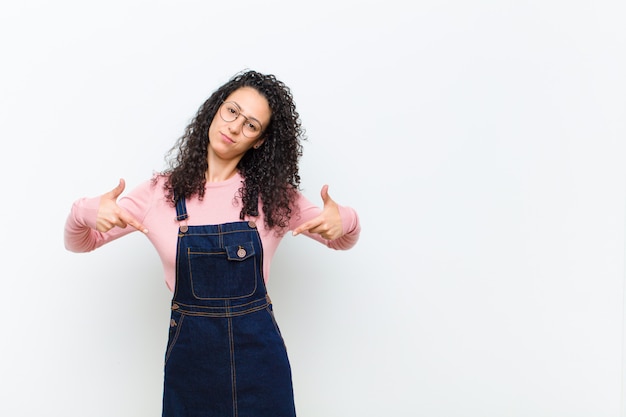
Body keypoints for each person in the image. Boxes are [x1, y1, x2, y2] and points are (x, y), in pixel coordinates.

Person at [64, 69, 361, 416]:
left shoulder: (274, 198)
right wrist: (85, 211)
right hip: (191, 369)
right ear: (216, 109)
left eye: (251, 125)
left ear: (260, 140)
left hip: (261, 369)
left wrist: (346, 218)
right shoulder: (159, 193)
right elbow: (80, 242)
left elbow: (342, 239)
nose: (235, 127)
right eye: (232, 111)